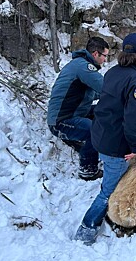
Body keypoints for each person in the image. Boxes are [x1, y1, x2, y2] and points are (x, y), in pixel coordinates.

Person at [74, 32, 136, 245]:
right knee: (108, 190)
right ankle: (86, 229)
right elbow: (133, 119)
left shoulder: (113, 72)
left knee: (113, 179)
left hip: (101, 136)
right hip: (117, 145)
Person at [47, 36, 110, 180]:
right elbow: (105, 88)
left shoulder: (80, 65)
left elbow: (91, 94)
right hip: (61, 120)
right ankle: (88, 170)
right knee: (94, 130)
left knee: (103, 111)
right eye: (105, 56)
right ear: (95, 54)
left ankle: (98, 147)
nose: (105, 60)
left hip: (75, 111)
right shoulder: (84, 67)